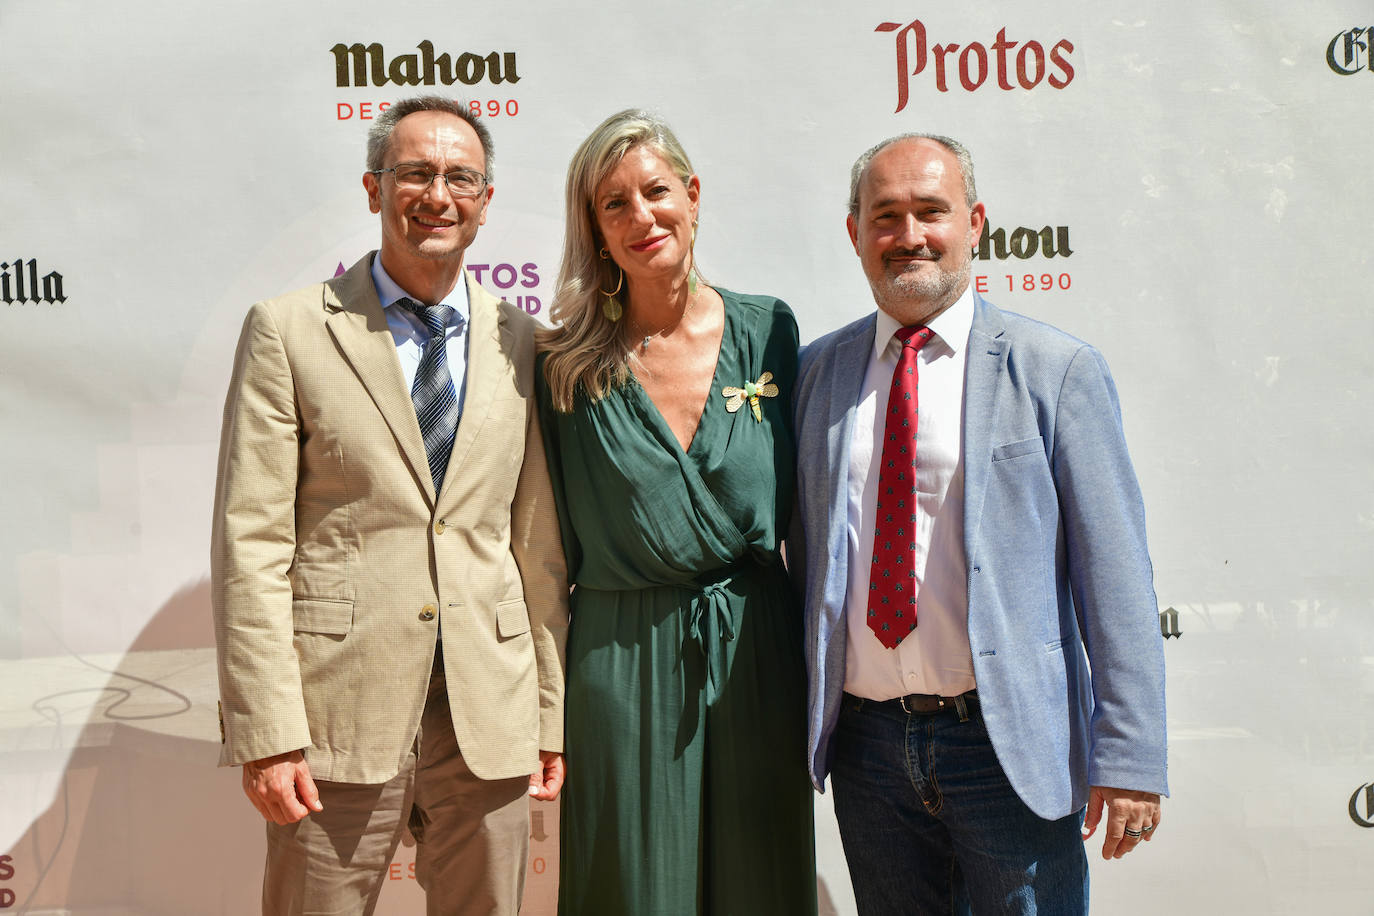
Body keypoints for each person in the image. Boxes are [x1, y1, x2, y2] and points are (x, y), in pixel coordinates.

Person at [211, 95, 569, 916]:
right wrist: (266, 732)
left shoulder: (527, 343)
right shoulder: (289, 331)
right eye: (414, 173)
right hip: (337, 714)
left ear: (483, 202)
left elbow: (537, 545)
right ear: (374, 190)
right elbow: (251, 544)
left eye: (458, 177)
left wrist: (547, 715)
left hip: (489, 710)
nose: (435, 194)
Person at [791, 133, 1168, 914]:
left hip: (1005, 746)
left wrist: (1129, 754)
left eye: (931, 211)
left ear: (975, 221)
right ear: (855, 232)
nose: (909, 235)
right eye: (885, 215)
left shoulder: (1054, 369)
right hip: (867, 753)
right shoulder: (816, 375)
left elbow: (1116, 572)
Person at [535, 110, 817, 916]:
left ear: (692, 197)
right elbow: (542, 554)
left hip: (755, 652)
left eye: (655, 192)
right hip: (620, 661)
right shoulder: (564, 365)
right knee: (635, 890)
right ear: (593, 229)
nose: (640, 217)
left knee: (758, 883)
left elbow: (812, 512)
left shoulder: (771, 330)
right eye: (613, 205)